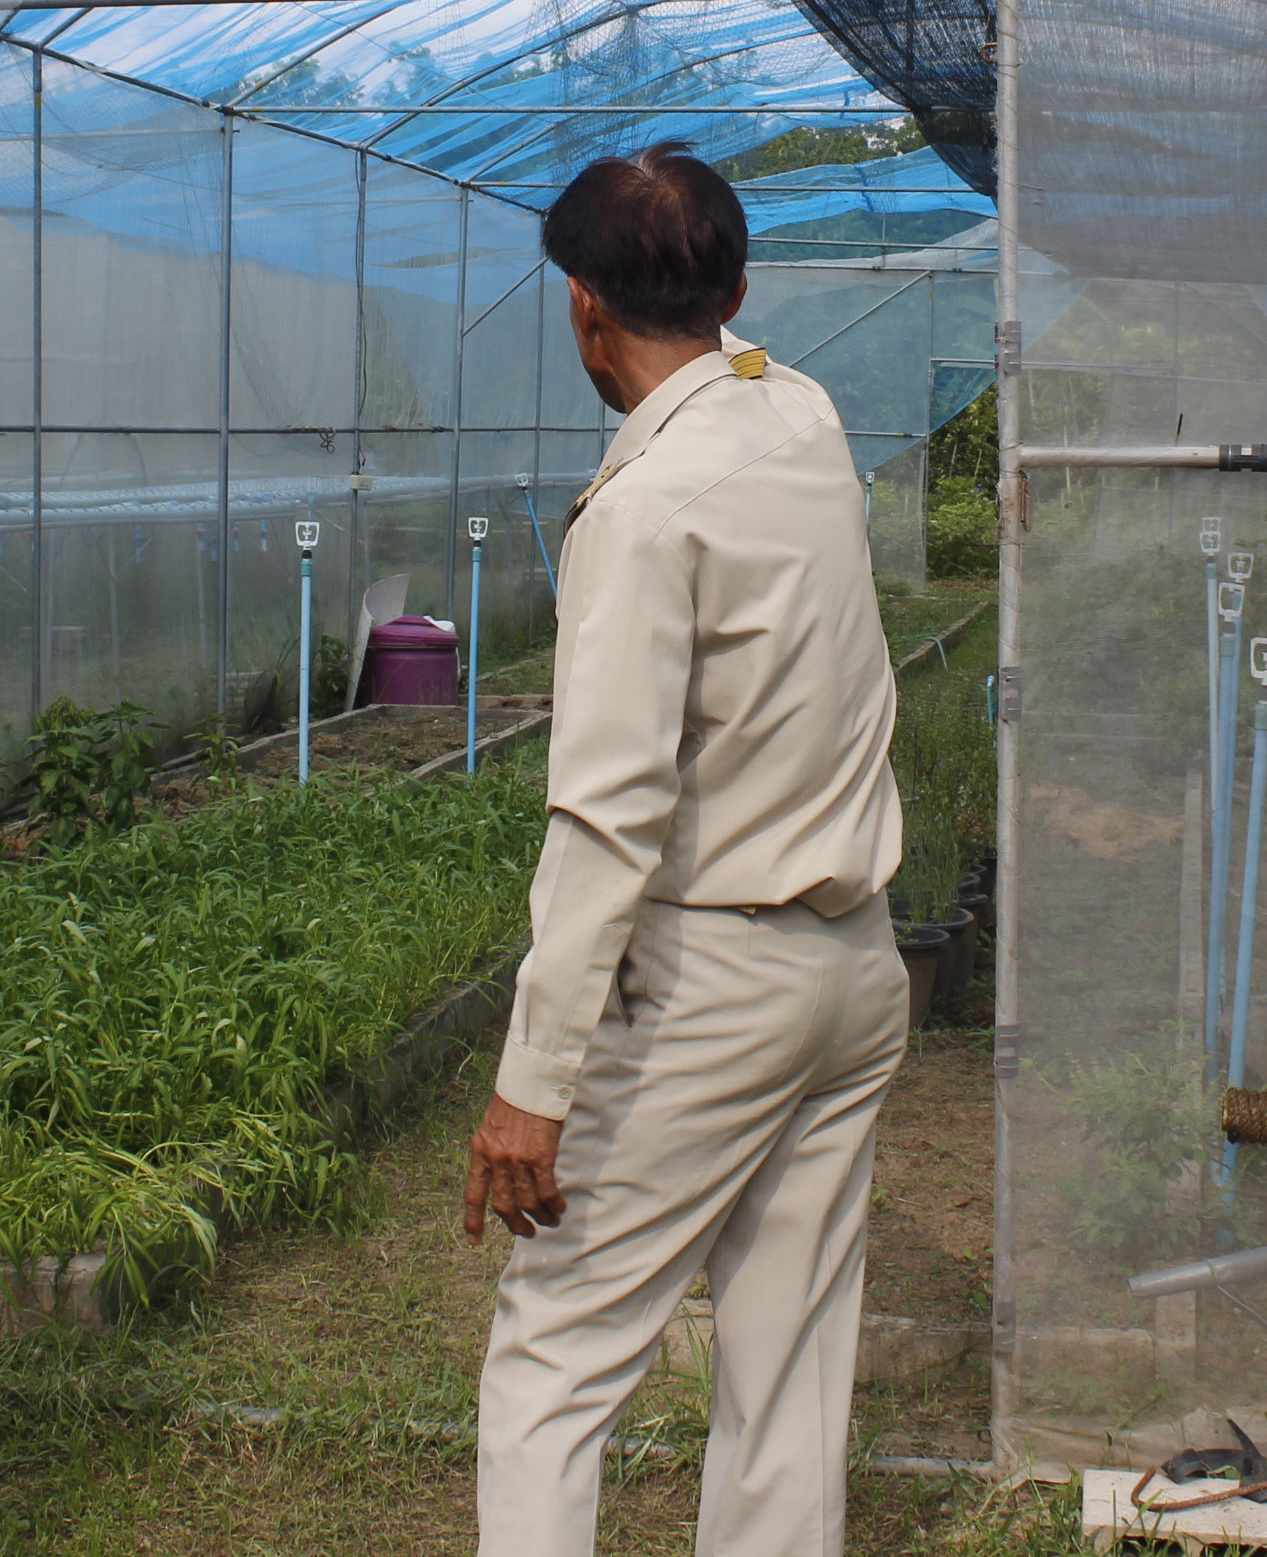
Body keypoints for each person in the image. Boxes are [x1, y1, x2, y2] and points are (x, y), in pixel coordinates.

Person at [466, 145, 907, 1557]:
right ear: (736, 292)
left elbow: (608, 818)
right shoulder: (805, 419)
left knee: (556, 1354)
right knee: (789, 1370)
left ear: (584, 307)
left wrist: (533, 1086)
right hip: (854, 968)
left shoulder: (646, 508)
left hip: (715, 984)